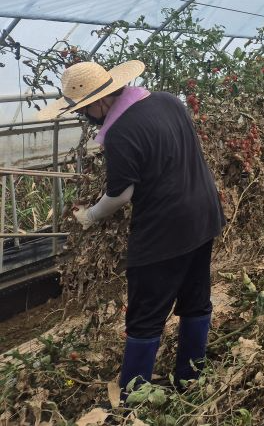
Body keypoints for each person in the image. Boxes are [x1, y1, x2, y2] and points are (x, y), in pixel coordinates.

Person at [37, 60, 224, 392]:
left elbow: (121, 195)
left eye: (84, 110)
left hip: (164, 232)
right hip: (203, 212)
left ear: (98, 103)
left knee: (145, 315)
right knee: (196, 299)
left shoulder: (121, 132)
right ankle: (190, 378)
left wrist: (90, 215)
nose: (86, 117)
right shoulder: (167, 100)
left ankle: (133, 397)